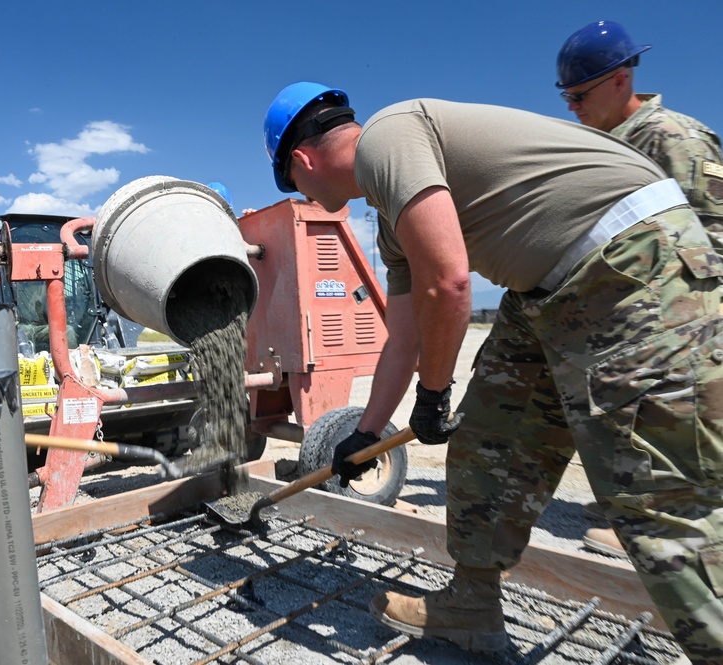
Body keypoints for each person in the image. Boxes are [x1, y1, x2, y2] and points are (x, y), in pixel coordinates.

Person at [263, 82, 723, 663]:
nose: (299, 191)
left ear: (301, 161)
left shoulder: (388, 138)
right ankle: (472, 603)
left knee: (657, 493)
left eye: (291, 183)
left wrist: (433, 396)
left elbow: (450, 282)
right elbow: (404, 335)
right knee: (489, 440)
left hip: (631, 265)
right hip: (547, 293)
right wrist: (367, 432)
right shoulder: (391, 218)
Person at [556, 20, 723, 560]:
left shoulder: (673, 138)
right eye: (566, 97)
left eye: (580, 95)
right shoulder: (607, 147)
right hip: (633, 309)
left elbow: (713, 231)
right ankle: (637, 507)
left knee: (676, 418)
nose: (571, 107)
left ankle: (677, 532)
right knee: (627, 413)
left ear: (620, 80)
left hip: (684, 311)